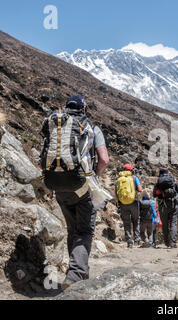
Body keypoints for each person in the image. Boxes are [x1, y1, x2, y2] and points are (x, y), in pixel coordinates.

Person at [40, 95, 109, 291]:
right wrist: (94, 174)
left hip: (57, 185)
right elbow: (104, 159)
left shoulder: (54, 124)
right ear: (84, 109)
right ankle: (76, 274)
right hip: (81, 185)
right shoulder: (91, 127)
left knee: (73, 229)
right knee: (84, 230)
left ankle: (78, 271)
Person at [153, 168, 178, 248]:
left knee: (165, 224)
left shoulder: (158, 181)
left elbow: (154, 194)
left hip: (162, 205)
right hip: (173, 204)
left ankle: (166, 243)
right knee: (173, 223)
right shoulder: (173, 180)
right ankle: (173, 242)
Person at [116, 164, 143, 248]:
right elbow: (140, 189)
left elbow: (116, 193)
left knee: (126, 222)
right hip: (134, 202)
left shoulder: (119, 179)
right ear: (131, 170)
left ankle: (129, 241)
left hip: (123, 203)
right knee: (136, 221)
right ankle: (137, 240)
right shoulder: (134, 178)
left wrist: (119, 202)